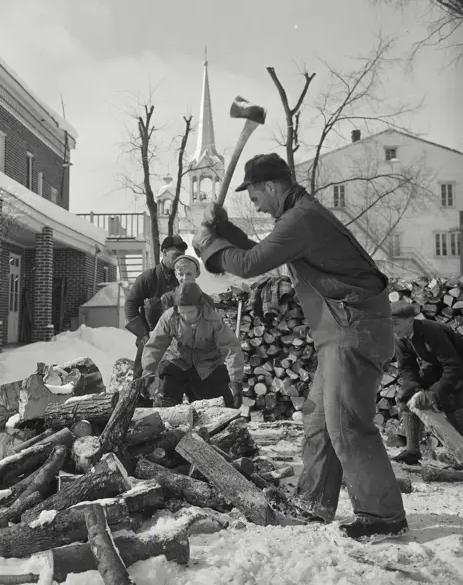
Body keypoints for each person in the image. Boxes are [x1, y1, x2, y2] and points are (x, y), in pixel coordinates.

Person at [192, 152, 406, 540]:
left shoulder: (302, 218)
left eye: (255, 195)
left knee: (346, 423)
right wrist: (225, 232)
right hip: (339, 330)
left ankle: (382, 514)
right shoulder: (298, 218)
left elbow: (252, 261)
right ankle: (313, 503)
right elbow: (264, 248)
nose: (254, 203)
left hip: (352, 328)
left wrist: (209, 243)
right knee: (319, 420)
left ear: (271, 187)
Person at [141, 281, 244, 409]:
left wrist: (236, 382)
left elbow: (231, 348)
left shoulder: (214, 320)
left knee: (224, 406)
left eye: (190, 312)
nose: (186, 316)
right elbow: (155, 345)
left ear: (199, 307)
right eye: (182, 311)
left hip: (208, 365)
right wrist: (148, 373)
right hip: (178, 362)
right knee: (165, 401)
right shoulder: (169, 317)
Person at [391, 300, 463, 465]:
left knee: (450, 398)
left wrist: (433, 394)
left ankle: (461, 450)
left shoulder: (432, 331)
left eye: (396, 324)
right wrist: (415, 390)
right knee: (406, 394)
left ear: (410, 319)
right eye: (390, 325)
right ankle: (412, 451)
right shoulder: (400, 338)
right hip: (436, 368)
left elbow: (453, 365)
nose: (393, 329)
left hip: (458, 369)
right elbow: (406, 369)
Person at [124, 235, 188, 383]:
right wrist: (143, 335)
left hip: (176, 341)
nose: (179, 260)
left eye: (182, 257)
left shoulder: (183, 279)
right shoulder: (147, 278)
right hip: (149, 338)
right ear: (164, 252)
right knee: (141, 380)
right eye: (176, 255)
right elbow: (130, 305)